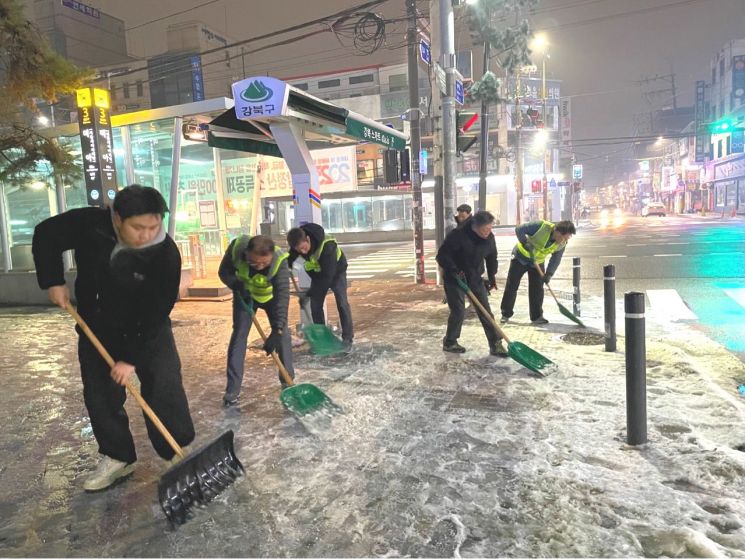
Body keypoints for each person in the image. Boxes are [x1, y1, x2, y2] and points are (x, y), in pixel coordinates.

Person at [32, 185, 195, 492]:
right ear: (117, 218)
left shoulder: (166, 255)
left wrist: (130, 359)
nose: (146, 235)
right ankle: (117, 456)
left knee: (164, 384)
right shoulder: (90, 225)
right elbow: (46, 234)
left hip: (147, 327)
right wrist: (52, 281)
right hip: (98, 326)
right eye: (138, 227)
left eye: (154, 226)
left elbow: (157, 310)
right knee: (99, 394)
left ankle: (176, 450)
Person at [218, 234, 294, 406]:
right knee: (239, 336)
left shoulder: (279, 261)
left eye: (264, 263)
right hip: (245, 297)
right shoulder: (237, 249)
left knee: (283, 336)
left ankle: (287, 380)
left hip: (271, 298)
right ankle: (232, 390)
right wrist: (236, 284)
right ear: (246, 253)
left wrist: (277, 330)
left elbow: (282, 296)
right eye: (253, 262)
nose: (259, 267)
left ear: (271, 257)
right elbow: (223, 272)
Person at [436, 210, 506, 356]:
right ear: (475, 226)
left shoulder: (489, 237)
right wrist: (454, 270)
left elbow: (492, 257)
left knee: (485, 311)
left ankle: (495, 343)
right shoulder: (458, 235)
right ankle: (450, 342)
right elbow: (442, 256)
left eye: (490, 228)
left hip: (474, 276)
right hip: (455, 277)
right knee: (458, 310)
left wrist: (492, 277)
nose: (488, 232)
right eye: (484, 229)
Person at [286, 223, 353, 347]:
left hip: (336, 271)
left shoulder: (327, 246)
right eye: (299, 250)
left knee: (342, 302)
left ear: (308, 239)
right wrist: (287, 265)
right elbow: (289, 258)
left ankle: (348, 338)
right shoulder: (298, 243)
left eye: (304, 248)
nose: (302, 252)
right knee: (315, 306)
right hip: (319, 273)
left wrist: (310, 292)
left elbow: (327, 277)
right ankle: (323, 341)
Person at [500, 219, 576, 325]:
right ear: (557, 231)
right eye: (562, 237)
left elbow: (556, 259)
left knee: (537, 289)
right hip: (520, 258)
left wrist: (549, 274)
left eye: (567, 238)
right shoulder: (541, 226)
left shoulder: (562, 244)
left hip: (537, 263)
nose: (563, 240)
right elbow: (519, 229)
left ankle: (536, 316)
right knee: (512, 285)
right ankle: (505, 313)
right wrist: (524, 242)